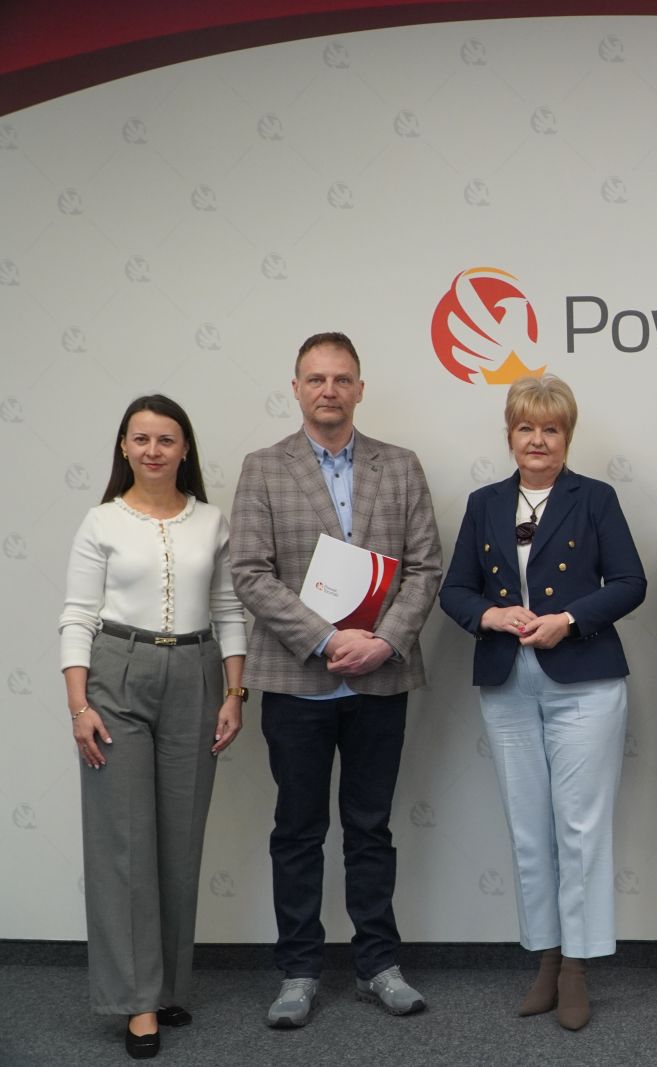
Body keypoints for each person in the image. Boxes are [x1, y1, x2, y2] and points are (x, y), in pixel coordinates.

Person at [230, 332, 443, 1029]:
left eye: (341, 378)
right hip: (297, 679)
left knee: (370, 828)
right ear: (296, 388)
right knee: (297, 829)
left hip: (380, 679)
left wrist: (383, 641)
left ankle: (379, 964)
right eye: (316, 379)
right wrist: (325, 639)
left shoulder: (400, 466)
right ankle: (298, 971)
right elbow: (250, 572)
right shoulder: (263, 468)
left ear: (359, 388)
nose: (329, 390)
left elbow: (425, 567)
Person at [438, 374, 646, 1030]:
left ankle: (578, 965)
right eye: (526, 427)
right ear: (510, 434)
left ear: (567, 436)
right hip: (508, 680)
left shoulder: (595, 498)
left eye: (551, 429)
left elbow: (631, 582)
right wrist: (491, 616)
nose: (538, 440)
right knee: (529, 828)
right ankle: (547, 958)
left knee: (579, 828)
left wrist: (570, 620)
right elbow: (455, 589)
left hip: (584, 680)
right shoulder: (484, 503)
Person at [59, 395, 247, 1060]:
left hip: (196, 674)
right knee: (125, 842)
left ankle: (166, 985)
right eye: (140, 438)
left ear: (185, 448)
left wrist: (234, 692)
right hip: (118, 673)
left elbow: (228, 608)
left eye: (166, 439)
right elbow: (77, 615)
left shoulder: (211, 521)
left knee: (180, 839)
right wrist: (79, 705)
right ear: (124, 447)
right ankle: (137, 1001)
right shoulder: (102, 520)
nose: (153, 450)